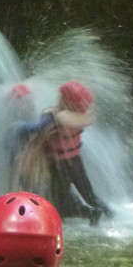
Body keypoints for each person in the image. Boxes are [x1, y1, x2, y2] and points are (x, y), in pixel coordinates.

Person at [41, 81, 109, 225]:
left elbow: (62, 117)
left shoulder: (61, 117)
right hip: (75, 162)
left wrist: (51, 113)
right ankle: (107, 214)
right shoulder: (84, 117)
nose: (58, 98)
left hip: (61, 166)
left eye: (62, 97)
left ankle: (90, 213)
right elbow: (86, 118)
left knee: (57, 202)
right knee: (88, 194)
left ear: (67, 101)